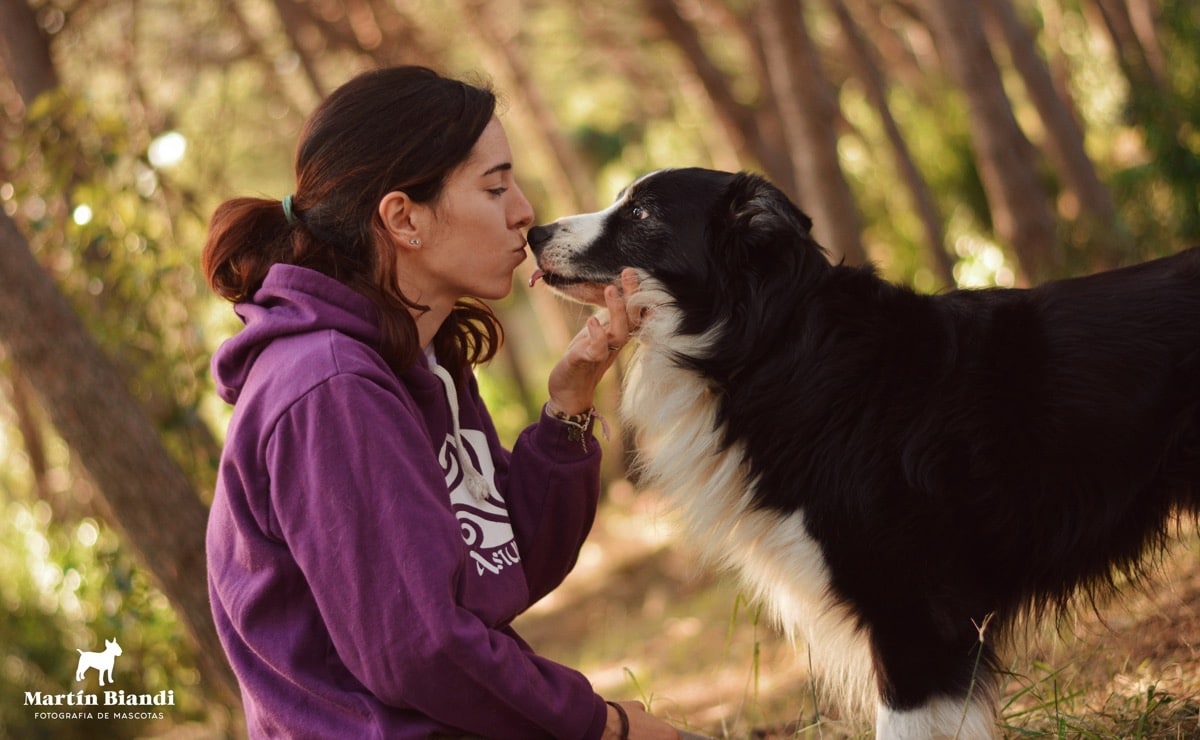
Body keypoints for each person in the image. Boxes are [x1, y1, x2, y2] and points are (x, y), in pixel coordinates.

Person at [201, 66, 681, 739]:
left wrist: (569, 408)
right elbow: (421, 649)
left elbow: (509, 562)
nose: (524, 212)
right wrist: (602, 726)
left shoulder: (421, 360)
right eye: (495, 187)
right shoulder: (330, 390)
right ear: (404, 218)